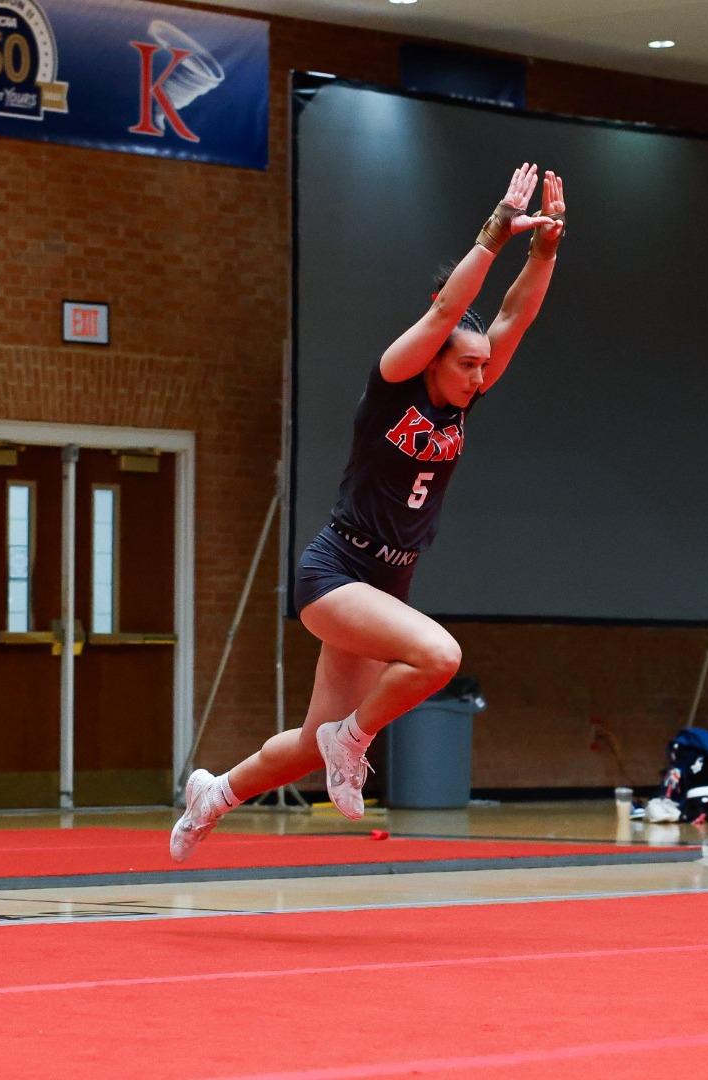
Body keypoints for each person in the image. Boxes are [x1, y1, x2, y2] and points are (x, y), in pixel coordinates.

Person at [169, 164, 565, 860]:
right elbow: (450, 312)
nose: (480, 375)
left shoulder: (464, 396)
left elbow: (514, 317)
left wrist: (547, 249)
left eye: (483, 367)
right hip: (336, 572)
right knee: (439, 656)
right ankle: (352, 740)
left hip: (386, 584)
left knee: (305, 745)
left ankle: (215, 794)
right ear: (433, 362)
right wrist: (498, 232)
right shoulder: (394, 384)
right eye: (467, 365)